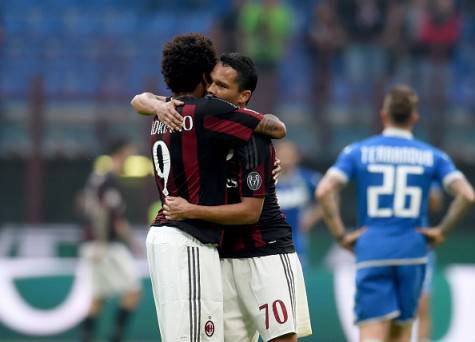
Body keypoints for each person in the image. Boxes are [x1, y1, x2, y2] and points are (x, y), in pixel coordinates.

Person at [130, 34, 286, 342]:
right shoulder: (208, 113)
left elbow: (139, 99)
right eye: (212, 80)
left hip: (173, 237)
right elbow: (276, 127)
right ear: (203, 76)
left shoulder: (165, 110)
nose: (214, 88)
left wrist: (151, 102)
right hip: (186, 236)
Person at [162, 52, 312, 342]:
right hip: (221, 257)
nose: (212, 91)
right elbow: (141, 100)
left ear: (243, 96)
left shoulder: (253, 137)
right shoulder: (202, 126)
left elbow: (249, 212)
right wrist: (155, 103)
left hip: (265, 252)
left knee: (281, 339)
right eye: (211, 83)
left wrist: (190, 210)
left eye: (222, 86)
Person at [316, 85, 475, 342]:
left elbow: (324, 190)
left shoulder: (358, 151)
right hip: (413, 250)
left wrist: (341, 235)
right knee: (402, 332)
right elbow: (467, 195)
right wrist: (441, 232)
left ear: (383, 114)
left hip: (373, 248)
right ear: (414, 118)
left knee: (371, 330)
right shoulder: (432, 156)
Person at [78, 137, 142, 342]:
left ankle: (87, 338)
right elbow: (107, 215)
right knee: (133, 290)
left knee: (98, 296)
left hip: (92, 242)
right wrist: (102, 244)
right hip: (104, 245)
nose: (132, 156)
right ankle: (116, 338)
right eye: (130, 152)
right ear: (121, 152)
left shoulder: (98, 178)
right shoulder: (110, 179)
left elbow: (83, 203)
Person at [275, 140, 322, 267]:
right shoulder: (267, 180)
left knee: (297, 277)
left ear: (296, 157)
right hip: (270, 238)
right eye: (282, 155)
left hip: (297, 238)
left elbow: (329, 197)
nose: (286, 159)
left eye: (289, 155)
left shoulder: (307, 178)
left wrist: (310, 219)